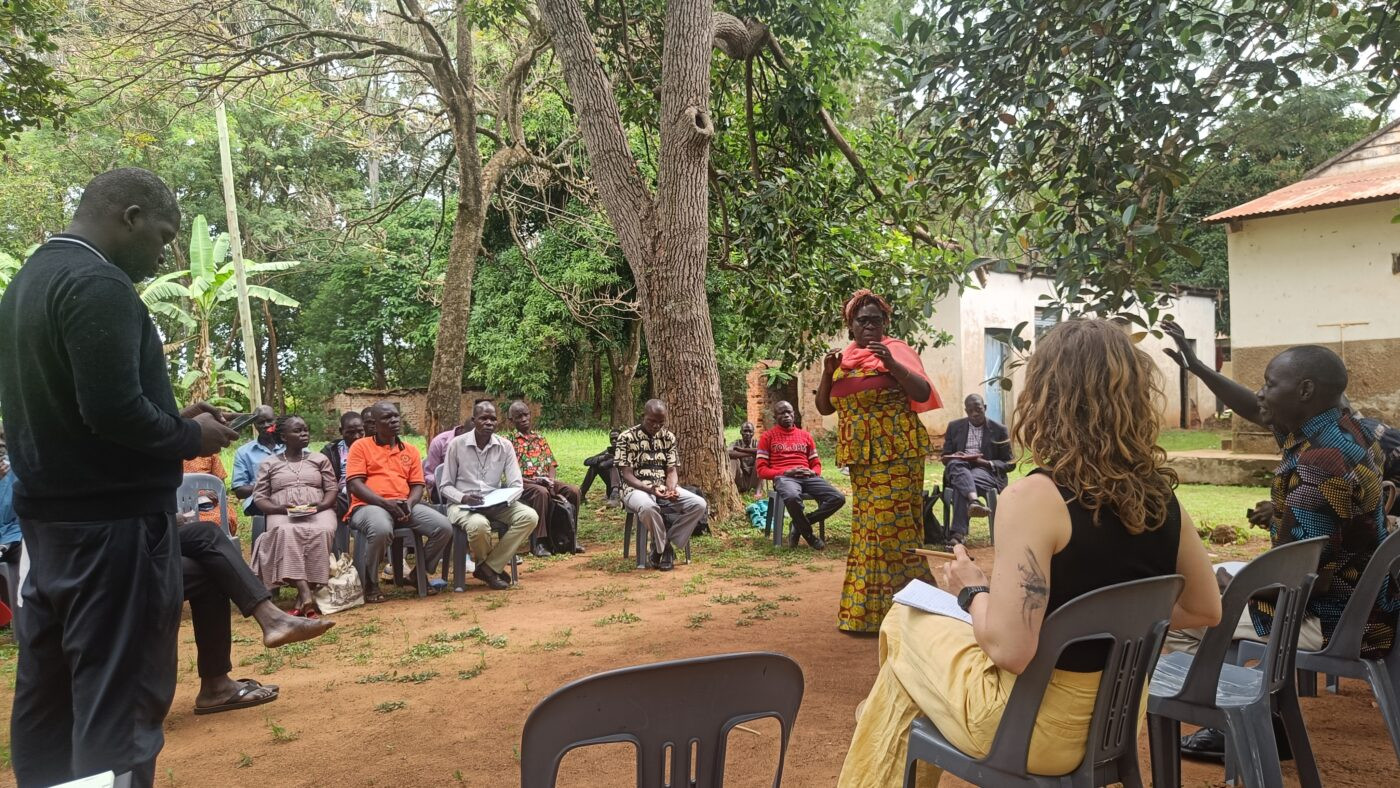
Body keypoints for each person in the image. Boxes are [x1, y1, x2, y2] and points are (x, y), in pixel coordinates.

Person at [836, 319, 1222, 787]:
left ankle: (877, 718)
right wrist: (1107, 622)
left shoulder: (1033, 499)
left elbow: (1012, 649)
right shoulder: (1163, 499)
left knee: (902, 621)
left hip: (1027, 730)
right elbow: (1205, 608)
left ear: (1044, 397)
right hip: (1115, 721)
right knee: (903, 681)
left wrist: (971, 588)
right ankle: (883, 711)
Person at [0, 168, 241, 786]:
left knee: (50, 696)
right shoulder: (97, 283)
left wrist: (167, 417)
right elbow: (108, 410)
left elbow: (72, 412)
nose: (162, 252)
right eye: (161, 237)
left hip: (51, 527)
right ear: (129, 216)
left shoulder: (31, 280)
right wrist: (191, 436)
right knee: (121, 698)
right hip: (114, 531)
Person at [1162, 322, 1400, 761]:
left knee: (1182, 617)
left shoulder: (1316, 467)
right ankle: (1264, 713)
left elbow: (1304, 584)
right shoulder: (1353, 431)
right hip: (1369, 603)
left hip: (1332, 618)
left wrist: (1226, 583)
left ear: (1305, 390)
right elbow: (1257, 409)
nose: (1262, 393)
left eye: (1271, 384)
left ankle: (1243, 726)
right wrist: (1199, 368)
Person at [815, 289, 942, 633]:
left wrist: (891, 364)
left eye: (876, 320)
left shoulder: (898, 352)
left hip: (898, 452)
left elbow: (921, 392)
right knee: (867, 530)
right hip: (862, 457)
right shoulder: (843, 360)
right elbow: (826, 408)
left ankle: (920, 612)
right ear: (851, 326)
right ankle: (866, 615)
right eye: (862, 320)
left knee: (894, 529)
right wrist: (828, 372)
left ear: (886, 323)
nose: (870, 325)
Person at [177, 515, 332, 715]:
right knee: (208, 545)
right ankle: (217, 684)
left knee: (208, 541)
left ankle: (217, 686)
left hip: (138, 541)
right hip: (129, 554)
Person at [345, 401, 453, 603]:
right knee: (381, 528)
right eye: (387, 417)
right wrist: (386, 504)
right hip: (369, 506)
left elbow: (418, 485)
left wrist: (409, 504)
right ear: (375, 425)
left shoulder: (410, 450)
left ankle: (416, 574)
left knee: (444, 527)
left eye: (395, 416)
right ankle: (371, 582)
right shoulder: (360, 447)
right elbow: (355, 485)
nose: (393, 420)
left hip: (405, 506)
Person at [440, 401, 538, 590]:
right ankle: (490, 570)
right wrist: (464, 498)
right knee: (479, 525)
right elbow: (445, 486)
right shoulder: (456, 445)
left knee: (529, 516)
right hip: (461, 505)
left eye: (493, 419)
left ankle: (488, 567)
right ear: (473, 420)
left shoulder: (505, 446)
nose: (488, 422)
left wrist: (503, 499)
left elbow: (516, 484)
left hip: (495, 503)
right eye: (483, 418)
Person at [250, 415, 341, 617]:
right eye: (298, 431)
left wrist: (321, 506)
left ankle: (302, 601)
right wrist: (281, 509)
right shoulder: (270, 463)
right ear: (283, 436)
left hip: (319, 509)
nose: (304, 433)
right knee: (285, 532)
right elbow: (260, 498)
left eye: (306, 429)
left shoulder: (319, 459)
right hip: (281, 512)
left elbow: (332, 489)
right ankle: (306, 594)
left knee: (322, 531)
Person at [616, 399, 709, 571]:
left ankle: (664, 542)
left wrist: (672, 489)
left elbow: (671, 470)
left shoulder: (668, 437)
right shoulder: (626, 437)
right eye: (652, 421)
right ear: (643, 416)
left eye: (661, 422)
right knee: (648, 506)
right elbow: (626, 474)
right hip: (635, 488)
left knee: (699, 504)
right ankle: (665, 549)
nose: (656, 426)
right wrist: (648, 489)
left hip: (663, 487)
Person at [757, 401, 842, 550]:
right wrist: (785, 472)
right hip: (785, 478)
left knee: (838, 498)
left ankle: (799, 523)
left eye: (789, 412)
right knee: (791, 497)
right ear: (775, 417)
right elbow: (761, 470)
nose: (787, 416)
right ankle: (809, 536)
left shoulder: (806, 436)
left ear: (794, 414)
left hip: (808, 477)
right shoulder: (767, 437)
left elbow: (816, 463)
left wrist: (813, 472)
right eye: (782, 413)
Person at [505, 400, 584, 557]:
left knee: (574, 491)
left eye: (526, 415)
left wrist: (551, 480)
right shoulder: (508, 442)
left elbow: (551, 464)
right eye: (518, 416)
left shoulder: (540, 438)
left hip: (545, 480)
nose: (523, 419)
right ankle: (540, 542)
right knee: (541, 493)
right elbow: (510, 472)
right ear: (511, 420)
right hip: (523, 482)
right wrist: (536, 482)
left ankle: (570, 537)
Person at [940, 393, 1015, 545]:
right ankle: (974, 501)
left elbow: (1009, 463)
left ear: (985, 408)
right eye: (970, 411)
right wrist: (955, 455)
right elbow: (945, 457)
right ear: (966, 411)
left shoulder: (999, 429)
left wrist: (984, 462)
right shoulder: (954, 426)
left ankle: (958, 534)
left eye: (978, 409)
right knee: (956, 465)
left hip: (985, 471)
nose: (974, 414)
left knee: (963, 483)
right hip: (959, 467)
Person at [232, 404, 281, 517]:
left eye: (269, 421)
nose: (266, 425)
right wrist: (270, 485)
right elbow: (239, 491)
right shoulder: (244, 452)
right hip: (260, 500)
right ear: (254, 425)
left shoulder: (292, 444)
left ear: (276, 420)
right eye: (260, 422)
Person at [182, 451, 240, 536]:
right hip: (180, 505)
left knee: (221, 519)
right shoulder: (172, 455)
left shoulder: (209, 453)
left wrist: (211, 494)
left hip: (208, 505)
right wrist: (197, 495)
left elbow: (220, 486)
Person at [580, 428, 622, 504]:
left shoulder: (627, 451)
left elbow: (604, 465)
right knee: (593, 466)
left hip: (624, 487)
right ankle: (581, 494)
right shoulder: (608, 452)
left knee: (613, 464)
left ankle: (615, 496)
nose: (614, 441)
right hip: (611, 487)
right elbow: (586, 461)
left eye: (616, 438)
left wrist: (608, 459)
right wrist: (602, 457)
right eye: (612, 439)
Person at [728, 421, 761, 495]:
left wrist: (742, 450)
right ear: (741, 432)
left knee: (761, 459)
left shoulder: (757, 443)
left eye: (750, 431)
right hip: (741, 479)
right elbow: (729, 453)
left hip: (754, 479)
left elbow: (763, 451)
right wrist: (749, 453)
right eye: (745, 431)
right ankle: (730, 488)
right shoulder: (736, 443)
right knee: (733, 459)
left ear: (753, 433)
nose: (747, 434)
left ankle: (757, 491)